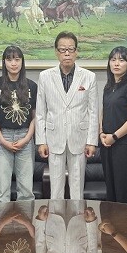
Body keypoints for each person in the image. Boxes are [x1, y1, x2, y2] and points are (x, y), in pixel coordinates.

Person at [36, 31, 99, 199]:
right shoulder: (45, 76)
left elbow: (93, 112)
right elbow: (41, 112)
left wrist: (91, 141)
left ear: (76, 51)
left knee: (77, 188)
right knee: (55, 189)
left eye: (71, 49)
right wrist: (41, 141)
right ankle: (56, 217)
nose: (67, 53)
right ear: (56, 52)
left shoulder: (89, 77)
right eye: (62, 49)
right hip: (54, 137)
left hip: (79, 138)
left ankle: (77, 216)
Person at [0, 46, 37, 202]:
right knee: (2, 190)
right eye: (9, 59)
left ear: (22, 62)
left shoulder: (32, 86)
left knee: (26, 191)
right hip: (2, 137)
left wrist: (27, 138)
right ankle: (2, 219)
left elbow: (35, 117)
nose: (13, 63)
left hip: (25, 136)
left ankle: (26, 219)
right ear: (4, 62)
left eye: (17, 59)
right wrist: (2, 140)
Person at [99, 46, 127, 205]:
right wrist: (101, 133)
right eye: (113, 60)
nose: (116, 63)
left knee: (125, 192)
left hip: (125, 145)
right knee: (112, 191)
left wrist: (114, 136)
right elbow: (104, 111)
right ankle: (113, 222)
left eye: (121, 60)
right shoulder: (108, 87)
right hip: (107, 144)